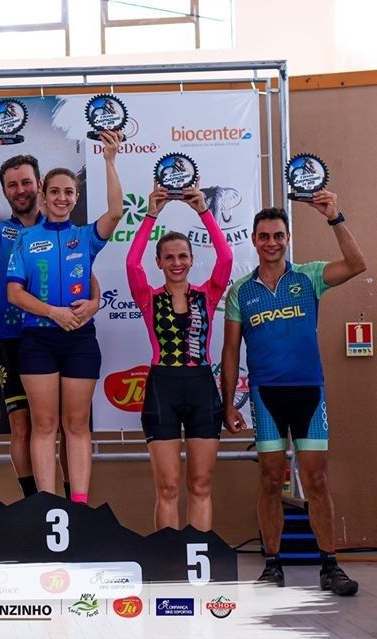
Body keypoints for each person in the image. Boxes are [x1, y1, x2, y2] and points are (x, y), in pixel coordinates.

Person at [222, 194, 365, 595]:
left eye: (278, 236)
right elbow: (230, 351)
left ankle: (330, 567)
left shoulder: (309, 276)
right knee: (270, 480)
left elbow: (357, 264)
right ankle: (272, 566)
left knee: (316, 479)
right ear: (254, 240)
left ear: (287, 239)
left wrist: (334, 217)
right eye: (264, 236)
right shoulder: (240, 291)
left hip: (309, 394)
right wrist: (228, 404)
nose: (272, 242)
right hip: (266, 397)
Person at [0, 136, 99, 499]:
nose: (20, 190)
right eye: (12, 185)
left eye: (26, 182)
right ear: (5, 192)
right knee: (24, 426)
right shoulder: (3, 232)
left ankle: (71, 502)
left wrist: (94, 302)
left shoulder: (63, 225)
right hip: (13, 338)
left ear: (39, 185)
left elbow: (83, 271)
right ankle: (35, 502)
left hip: (61, 333)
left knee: (67, 425)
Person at [5, 131, 123, 500]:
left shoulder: (86, 237)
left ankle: (79, 505)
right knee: (44, 425)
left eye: (69, 192)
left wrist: (109, 160)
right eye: (55, 191)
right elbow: (14, 293)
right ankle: (46, 506)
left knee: (76, 425)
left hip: (80, 340)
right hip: (37, 339)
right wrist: (54, 313)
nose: (62, 198)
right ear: (43, 194)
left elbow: (116, 212)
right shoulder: (24, 239)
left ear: (76, 197)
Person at [126, 185, 232, 531]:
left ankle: (198, 553)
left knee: (200, 485)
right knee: (168, 487)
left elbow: (226, 259)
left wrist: (203, 211)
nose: (176, 263)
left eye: (183, 256)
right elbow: (131, 262)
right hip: (163, 389)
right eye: (169, 257)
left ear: (191, 260)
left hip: (202, 388)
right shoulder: (147, 297)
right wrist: (151, 214)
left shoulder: (209, 294)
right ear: (158, 262)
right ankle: (169, 557)